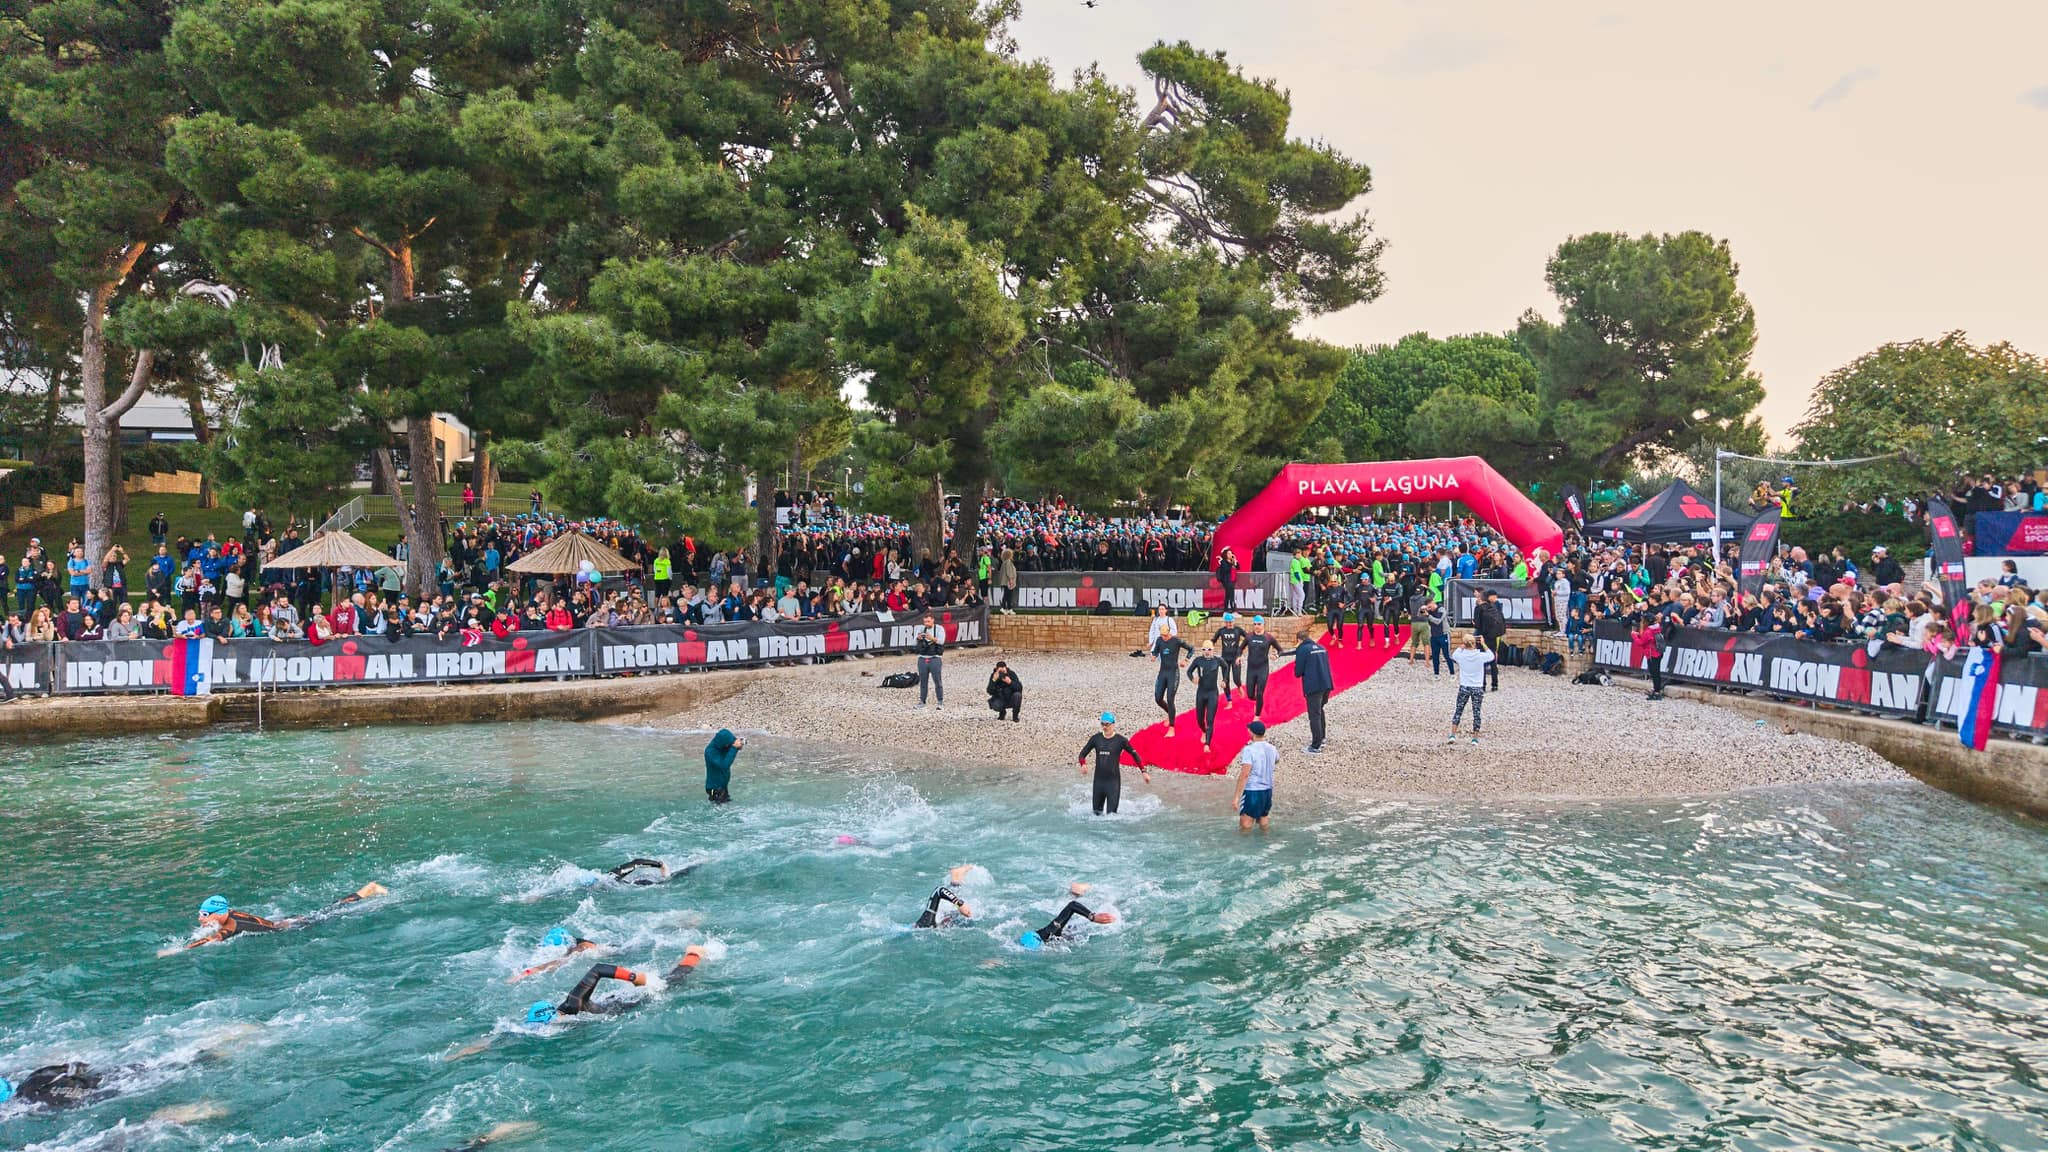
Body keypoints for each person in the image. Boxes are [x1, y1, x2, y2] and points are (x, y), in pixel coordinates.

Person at [174, 883, 390, 952]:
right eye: (200, 914)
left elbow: (216, 937)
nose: (200, 918)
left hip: (292, 927)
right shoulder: (230, 913)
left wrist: (184, 949)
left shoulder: (231, 924)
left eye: (204, 914)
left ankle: (367, 891)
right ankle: (366, 891)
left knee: (333, 912)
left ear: (220, 913)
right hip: (285, 921)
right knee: (328, 910)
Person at [1076, 712, 1149, 815]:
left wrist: (1143, 771)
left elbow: (1134, 754)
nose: (1104, 727)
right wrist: (1083, 764)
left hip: (1113, 783)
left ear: (1113, 724)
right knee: (1096, 815)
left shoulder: (1121, 740)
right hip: (1098, 783)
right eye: (1102, 724)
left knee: (1112, 817)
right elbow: (1082, 754)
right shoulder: (1096, 739)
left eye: (1107, 724)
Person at [1017, 883, 1115, 951]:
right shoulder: (1048, 938)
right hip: (1067, 932)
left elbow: (1072, 905)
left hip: (1077, 926)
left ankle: (1078, 888)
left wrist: (1092, 917)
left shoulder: (1047, 933)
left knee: (1107, 905)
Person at [1288, 628, 1333, 755]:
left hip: (1314, 686)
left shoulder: (1303, 649)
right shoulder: (1321, 647)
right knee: (1319, 710)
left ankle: (1315, 746)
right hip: (1326, 684)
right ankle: (1322, 738)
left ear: (1299, 640)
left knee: (1314, 715)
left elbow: (1298, 672)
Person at [1446, 632, 1495, 745]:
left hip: (1464, 685)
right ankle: (1475, 738)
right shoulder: (1480, 656)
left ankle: (1452, 735)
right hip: (1477, 687)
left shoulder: (1461, 656)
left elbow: (1454, 654)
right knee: (1476, 712)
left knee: (1458, 710)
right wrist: (1483, 644)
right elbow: (1491, 656)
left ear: (1465, 644)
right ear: (1475, 643)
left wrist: (1463, 645)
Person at [509, 927, 603, 983]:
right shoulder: (569, 947)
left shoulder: (582, 948)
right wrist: (524, 974)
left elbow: (550, 965)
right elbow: (542, 967)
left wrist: (526, 973)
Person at [1232, 720, 1278, 832]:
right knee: (1263, 819)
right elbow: (1276, 760)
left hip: (1253, 791)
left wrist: (1236, 797)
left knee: (1245, 823)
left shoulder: (1249, 750)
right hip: (1268, 790)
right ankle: (1266, 841)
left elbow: (1245, 774)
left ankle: (1244, 843)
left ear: (1252, 732)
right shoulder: (1272, 748)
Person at [1149, 628, 1194, 734]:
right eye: (1162, 635)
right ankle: (1170, 714)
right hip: (1163, 672)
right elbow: (1156, 650)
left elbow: (1191, 649)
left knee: (1170, 699)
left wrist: (1186, 660)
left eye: (1165, 635)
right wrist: (1154, 655)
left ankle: (1172, 728)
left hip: (1173, 673)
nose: (1164, 637)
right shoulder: (1159, 640)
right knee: (1158, 698)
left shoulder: (1176, 641)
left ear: (1169, 632)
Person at [1185, 641, 1226, 753]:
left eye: (1209, 649)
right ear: (1202, 650)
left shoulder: (1218, 660)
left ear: (1213, 650)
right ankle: (1203, 731)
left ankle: (1207, 744)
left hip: (1212, 693)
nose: (1207, 652)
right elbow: (1189, 671)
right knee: (1199, 719)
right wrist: (1192, 679)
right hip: (1201, 693)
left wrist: (1224, 680)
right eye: (1204, 650)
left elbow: (1226, 667)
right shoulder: (1198, 660)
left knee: (1210, 719)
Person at [1242, 616, 1279, 720]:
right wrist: (1239, 656)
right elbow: (1240, 648)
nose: (1256, 626)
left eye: (1259, 624)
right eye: (1255, 624)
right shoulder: (1249, 637)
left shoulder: (1268, 638)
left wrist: (1276, 655)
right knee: (1250, 695)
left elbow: (1280, 650)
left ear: (1263, 625)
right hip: (1251, 669)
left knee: (1259, 693)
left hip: (1262, 669)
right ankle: (1258, 702)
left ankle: (1257, 715)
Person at [1473, 589, 1507, 691]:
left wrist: (1474, 623)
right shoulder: (1493, 607)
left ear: (1481, 599)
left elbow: (1477, 625)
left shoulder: (1479, 609)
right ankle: (1495, 684)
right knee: (1492, 660)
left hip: (1483, 637)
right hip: (1493, 636)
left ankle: (1482, 685)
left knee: (1482, 661)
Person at [1211, 613, 1247, 703]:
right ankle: (1229, 700)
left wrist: (1242, 651)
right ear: (1225, 622)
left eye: (1230, 622)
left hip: (1236, 657)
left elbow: (1248, 638)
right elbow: (1213, 641)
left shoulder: (1238, 630)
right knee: (1225, 680)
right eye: (1227, 622)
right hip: (1225, 659)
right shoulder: (1221, 631)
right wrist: (1208, 648)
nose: (1229, 624)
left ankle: (1239, 686)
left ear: (1233, 621)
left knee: (1236, 678)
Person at [913, 612, 945, 709]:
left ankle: (940, 702)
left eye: (928, 621)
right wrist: (918, 638)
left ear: (933, 620)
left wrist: (932, 638)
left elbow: (941, 641)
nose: (926, 624)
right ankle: (922, 702)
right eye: (925, 622)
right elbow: (914, 642)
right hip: (922, 658)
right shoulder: (920, 629)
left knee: (937, 681)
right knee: (923, 682)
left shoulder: (939, 628)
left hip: (935, 658)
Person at [704, 728, 743, 804]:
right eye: (728, 744)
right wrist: (734, 748)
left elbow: (728, 749)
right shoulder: (710, 752)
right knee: (718, 809)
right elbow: (724, 765)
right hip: (714, 789)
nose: (729, 746)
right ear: (723, 744)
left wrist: (738, 746)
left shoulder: (723, 745)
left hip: (723, 786)